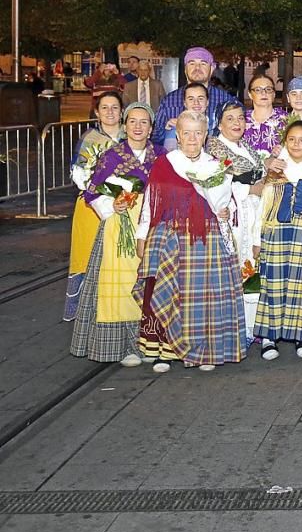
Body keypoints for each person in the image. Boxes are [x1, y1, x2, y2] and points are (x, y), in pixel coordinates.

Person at [133, 111, 245, 372]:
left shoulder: (216, 166)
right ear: (178, 135)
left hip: (206, 237)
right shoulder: (165, 163)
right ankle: (165, 352)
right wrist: (142, 235)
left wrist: (225, 208)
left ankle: (207, 351)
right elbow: (151, 203)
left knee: (204, 299)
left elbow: (225, 200)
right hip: (170, 235)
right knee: (167, 292)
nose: (192, 138)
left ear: (206, 135)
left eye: (198, 133)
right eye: (186, 133)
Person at [70, 103, 161, 366]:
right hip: (118, 224)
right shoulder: (111, 156)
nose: (138, 127)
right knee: (120, 285)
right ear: (124, 125)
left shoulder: (162, 156)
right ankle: (123, 346)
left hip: (152, 225)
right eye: (132, 121)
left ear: (151, 128)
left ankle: (150, 342)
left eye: (144, 122)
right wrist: (113, 205)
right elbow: (93, 190)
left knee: (150, 284)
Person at [253, 120, 302, 360]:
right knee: (273, 281)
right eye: (291, 139)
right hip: (275, 232)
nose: (296, 144)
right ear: (285, 142)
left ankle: (301, 334)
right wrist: (256, 239)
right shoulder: (274, 170)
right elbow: (263, 206)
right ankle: (269, 337)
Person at [64, 92, 124, 322]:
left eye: (115, 107)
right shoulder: (89, 139)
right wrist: (104, 193)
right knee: (88, 256)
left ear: (121, 111)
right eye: (105, 108)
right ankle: (85, 312)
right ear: (97, 112)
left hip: (125, 205)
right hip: (92, 205)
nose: (110, 112)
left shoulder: (131, 137)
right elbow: (79, 174)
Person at [206, 102, 266, 284]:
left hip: (254, 210)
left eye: (241, 118)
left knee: (252, 265)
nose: (237, 123)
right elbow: (216, 184)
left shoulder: (246, 147)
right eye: (230, 119)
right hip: (232, 214)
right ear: (219, 124)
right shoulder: (214, 149)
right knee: (233, 265)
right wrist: (251, 188)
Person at [151, 47, 235, 146]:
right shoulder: (169, 100)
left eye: (203, 63)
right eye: (192, 63)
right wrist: (165, 130)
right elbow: (154, 139)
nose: (197, 68)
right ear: (185, 69)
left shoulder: (226, 101)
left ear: (212, 69)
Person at [243, 74, 288, 155]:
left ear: (274, 94)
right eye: (258, 90)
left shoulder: (286, 120)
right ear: (250, 94)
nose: (264, 93)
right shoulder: (241, 119)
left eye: (268, 89)